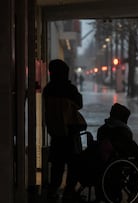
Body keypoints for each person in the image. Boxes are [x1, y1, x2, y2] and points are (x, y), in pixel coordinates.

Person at [43, 59, 83, 199]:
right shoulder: (69, 89)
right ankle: (69, 192)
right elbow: (79, 104)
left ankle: (53, 190)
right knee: (73, 165)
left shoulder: (48, 89)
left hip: (56, 134)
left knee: (57, 166)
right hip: (71, 134)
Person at [95, 103, 138, 202]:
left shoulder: (102, 129)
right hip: (118, 164)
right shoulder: (123, 131)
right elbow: (133, 150)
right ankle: (135, 194)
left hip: (102, 164)